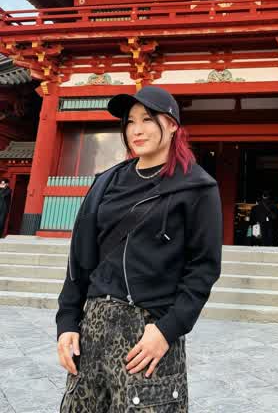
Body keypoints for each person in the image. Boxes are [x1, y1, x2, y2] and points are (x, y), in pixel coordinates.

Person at [56, 86, 223, 412]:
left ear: (172, 124)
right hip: (92, 329)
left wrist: (166, 330)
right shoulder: (105, 182)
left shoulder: (196, 187)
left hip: (147, 333)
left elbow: (204, 269)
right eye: (130, 121)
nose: (136, 130)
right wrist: (67, 323)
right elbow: (79, 260)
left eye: (147, 119)